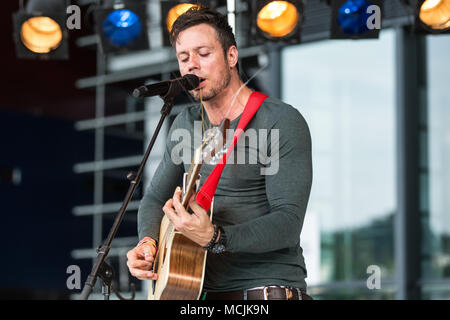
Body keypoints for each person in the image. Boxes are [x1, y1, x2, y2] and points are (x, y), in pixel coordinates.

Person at [126, 6, 313, 300]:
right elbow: (153, 198)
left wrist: (216, 237)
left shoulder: (280, 120)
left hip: (263, 289)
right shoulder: (185, 122)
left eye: (203, 53)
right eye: (184, 58)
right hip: (197, 292)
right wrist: (148, 243)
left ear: (231, 56)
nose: (192, 66)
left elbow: (288, 222)